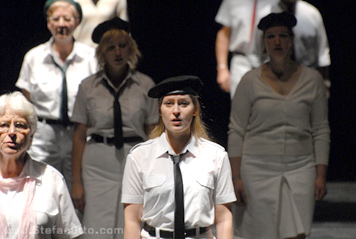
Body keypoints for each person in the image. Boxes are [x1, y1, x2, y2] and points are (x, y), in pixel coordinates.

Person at [228, 12, 330, 239]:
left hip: (300, 168)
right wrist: (235, 178)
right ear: (264, 43)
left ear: (291, 41)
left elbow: (321, 129)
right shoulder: (250, 80)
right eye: (271, 36)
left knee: (296, 234)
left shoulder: (312, 80)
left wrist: (320, 174)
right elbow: (236, 130)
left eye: (283, 36)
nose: (277, 41)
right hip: (256, 169)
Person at [70, 17, 159, 239]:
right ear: (102, 53)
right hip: (97, 164)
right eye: (111, 47)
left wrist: (157, 172)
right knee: (96, 226)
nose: (117, 52)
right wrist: (76, 182)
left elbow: (153, 133)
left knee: (131, 223)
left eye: (122, 46)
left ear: (131, 48)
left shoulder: (145, 85)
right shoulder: (88, 86)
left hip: (135, 159)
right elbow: (79, 136)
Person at [122, 75, 236, 239]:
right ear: (160, 110)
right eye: (169, 104)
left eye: (183, 103)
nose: (176, 111)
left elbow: (224, 217)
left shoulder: (215, 155)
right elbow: (132, 219)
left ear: (195, 109)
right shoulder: (139, 156)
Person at [15, 0, 97, 189]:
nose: (62, 24)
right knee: (38, 184)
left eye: (67, 19)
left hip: (79, 134)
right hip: (44, 135)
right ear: (48, 23)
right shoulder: (34, 57)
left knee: (77, 189)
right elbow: (26, 99)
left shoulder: (90, 57)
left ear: (76, 22)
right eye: (56, 19)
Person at [0, 91, 82, 239]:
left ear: (31, 135)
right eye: (4, 125)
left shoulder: (51, 179)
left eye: (20, 125)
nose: (12, 132)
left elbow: (71, 236)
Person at [215, 0, 331, 98]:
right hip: (246, 61)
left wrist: (324, 84)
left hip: (296, 71)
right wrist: (222, 67)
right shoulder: (267, 11)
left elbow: (323, 54)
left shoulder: (308, 13)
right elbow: (225, 33)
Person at [215, 0, 279, 98]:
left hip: (268, 61)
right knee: (241, 106)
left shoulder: (276, 2)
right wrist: (222, 68)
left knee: (268, 105)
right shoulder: (232, 1)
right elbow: (224, 33)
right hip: (241, 60)